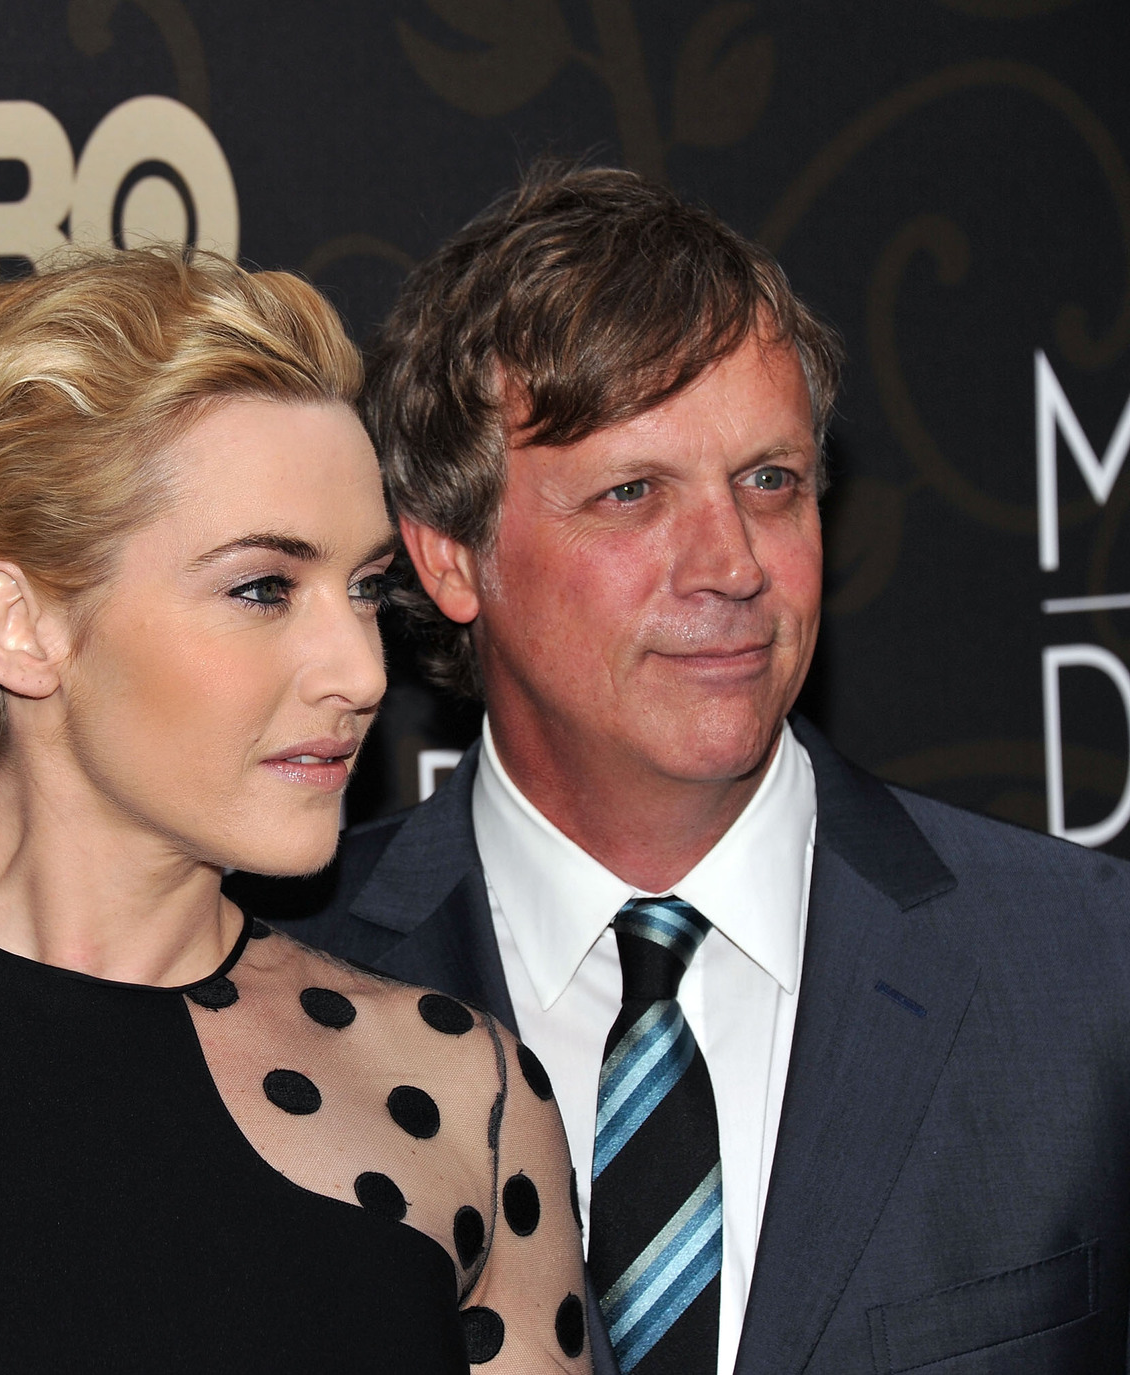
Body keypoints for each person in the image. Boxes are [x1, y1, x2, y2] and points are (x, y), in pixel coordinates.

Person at [235, 165, 1130, 1375]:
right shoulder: (261, 993)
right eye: (631, 494)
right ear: (449, 558)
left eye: (769, 481)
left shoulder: (1084, 974)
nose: (730, 564)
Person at [0, 248, 592, 1373]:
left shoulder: (451, 1092)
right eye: (262, 587)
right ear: (19, 624)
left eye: (362, 590)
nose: (357, 668)